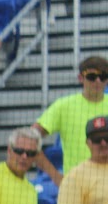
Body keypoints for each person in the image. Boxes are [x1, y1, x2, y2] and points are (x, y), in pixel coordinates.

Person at [33, 55, 108, 187]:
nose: (98, 81)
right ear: (81, 78)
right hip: (75, 186)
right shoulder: (63, 106)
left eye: (103, 77)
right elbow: (29, 140)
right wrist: (56, 177)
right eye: (92, 76)